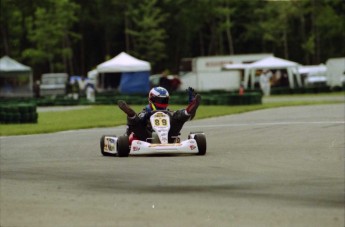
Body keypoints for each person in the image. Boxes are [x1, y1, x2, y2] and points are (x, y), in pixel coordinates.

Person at [118, 86, 201, 143]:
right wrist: (146, 116)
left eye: (164, 100)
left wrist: (191, 112)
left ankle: (188, 110)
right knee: (135, 121)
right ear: (151, 99)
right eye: (159, 100)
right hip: (147, 138)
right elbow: (136, 125)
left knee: (177, 116)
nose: (161, 103)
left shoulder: (168, 112)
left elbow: (189, 118)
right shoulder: (146, 110)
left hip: (168, 137)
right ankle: (130, 113)